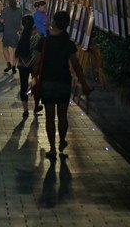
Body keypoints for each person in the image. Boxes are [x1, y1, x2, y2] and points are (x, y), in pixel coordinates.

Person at [36, 10, 92, 159]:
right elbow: (76, 66)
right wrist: (84, 83)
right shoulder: (68, 43)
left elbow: (37, 63)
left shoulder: (44, 41)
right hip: (63, 82)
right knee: (62, 116)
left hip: (47, 82)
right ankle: (61, 141)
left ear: (54, 22)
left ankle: (52, 148)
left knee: (49, 117)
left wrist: (34, 77)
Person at [15, 14, 44, 118]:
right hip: (34, 64)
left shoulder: (19, 35)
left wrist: (14, 63)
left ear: (23, 24)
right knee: (36, 85)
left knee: (23, 86)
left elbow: (16, 50)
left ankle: (25, 110)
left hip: (22, 64)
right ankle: (36, 106)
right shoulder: (38, 36)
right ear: (33, 24)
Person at [0, 0, 21, 74]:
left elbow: (2, 20)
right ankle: (14, 66)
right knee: (15, 50)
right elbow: (21, 21)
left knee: (5, 48)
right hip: (16, 33)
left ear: (8, 1)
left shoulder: (5, 10)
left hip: (7, 32)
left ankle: (8, 63)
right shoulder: (19, 10)